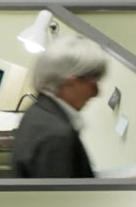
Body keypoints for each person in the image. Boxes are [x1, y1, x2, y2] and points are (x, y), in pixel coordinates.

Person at [13, 32, 108, 178]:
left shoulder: (36, 112)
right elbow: (60, 200)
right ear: (70, 82)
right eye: (93, 83)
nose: (96, 93)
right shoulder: (57, 135)